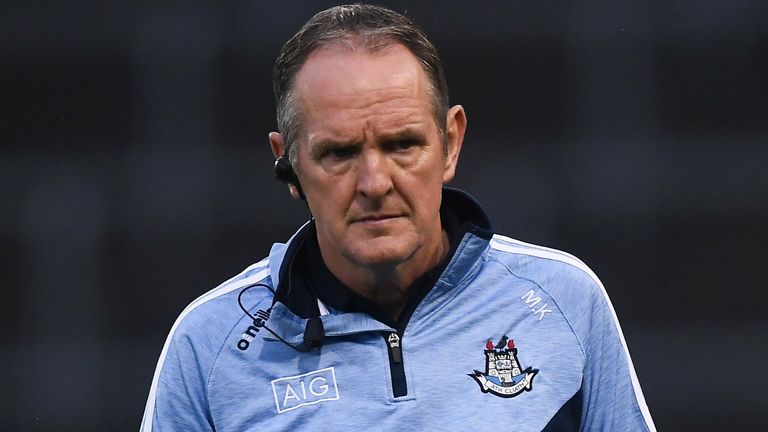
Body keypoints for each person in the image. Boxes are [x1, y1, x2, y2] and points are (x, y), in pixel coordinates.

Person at [140, 4, 656, 431]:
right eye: (339, 153)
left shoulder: (564, 300)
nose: (374, 183)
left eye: (402, 144)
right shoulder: (209, 346)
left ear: (450, 143)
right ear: (289, 163)